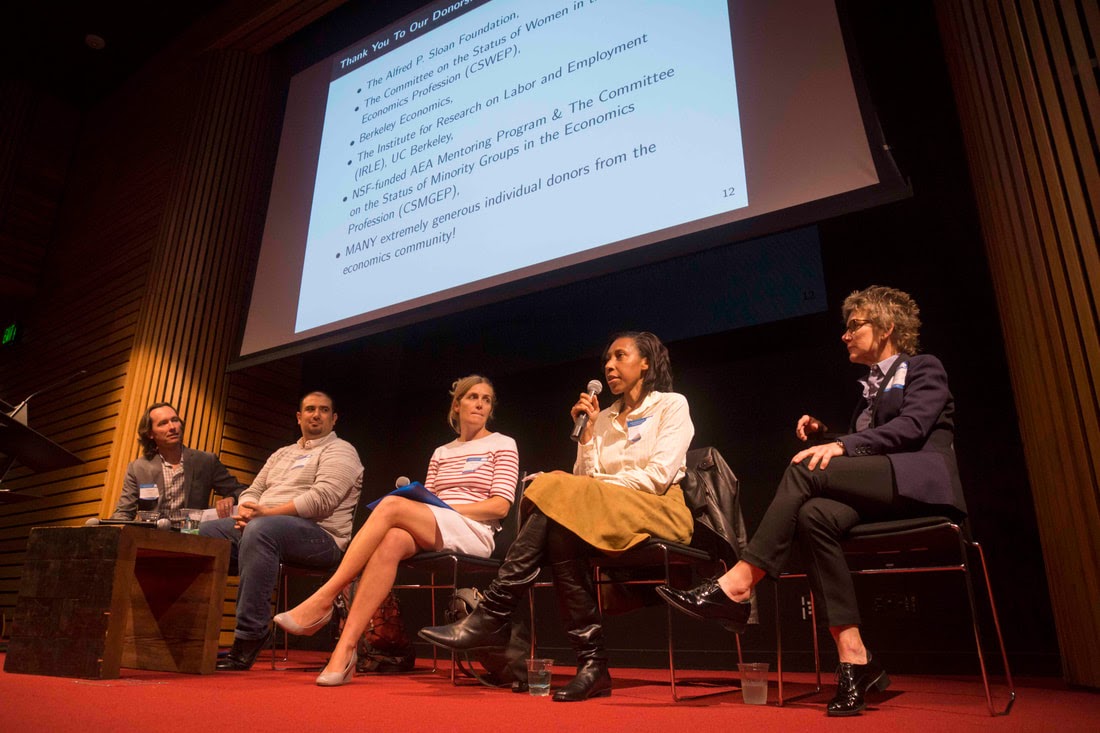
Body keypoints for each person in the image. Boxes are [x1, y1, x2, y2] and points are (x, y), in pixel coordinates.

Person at [657, 285, 967, 717]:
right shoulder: (868, 391)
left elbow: (911, 429)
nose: (845, 335)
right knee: (813, 514)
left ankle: (739, 582)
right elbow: (869, 444)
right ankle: (855, 657)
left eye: (854, 325)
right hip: (882, 488)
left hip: (917, 486)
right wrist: (830, 436)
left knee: (807, 468)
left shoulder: (923, 367)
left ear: (887, 327)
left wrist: (840, 447)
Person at [419, 332, 694, 702]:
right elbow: (585, 479)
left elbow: (658, 476)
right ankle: (592, 665)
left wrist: (598, 488)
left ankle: (492, 613)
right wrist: (588, 435)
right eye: (606, 361)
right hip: (606, 510)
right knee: (560, 523)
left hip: (659, 508)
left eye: (619, 356)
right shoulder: (605, 415)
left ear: (645, 362)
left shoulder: (671, 405)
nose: (609, 366)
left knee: (553, 487)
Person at [273, 375, 519, 687]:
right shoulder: (441, 452)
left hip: (476, 531)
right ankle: (345, 650)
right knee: (390, 539)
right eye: (473, 397)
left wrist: (446, 509)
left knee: (390, 507)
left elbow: (500, 507)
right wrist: (425, 504)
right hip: (439, 524)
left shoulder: (502, 443)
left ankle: (325, 596)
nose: (480, 404)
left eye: (486, 399)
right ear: (457, 405)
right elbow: (430, 500)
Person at [200, 391, 363, 671]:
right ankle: (194, 636)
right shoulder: (282, 454)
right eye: (310, 409)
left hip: (321, 538)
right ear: (299, 417)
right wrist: (248, 509)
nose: (316, 414)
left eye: (324, 410)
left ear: (334, 419)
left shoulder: (342, 451)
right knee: (205, 535)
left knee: (262, 530)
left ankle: (251, 635)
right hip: (265, 528)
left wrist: (264, 515)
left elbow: (321, 498)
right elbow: (253, 490)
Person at [110, 402, 243, 520]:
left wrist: (230, 498)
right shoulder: (138, 468)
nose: (172, 427)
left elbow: (240, 491)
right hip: (152, 537)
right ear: (150, 434)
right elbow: (124, 511)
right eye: (163, 423)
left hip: (192, 536)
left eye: (175, 420)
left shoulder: (205, 461)